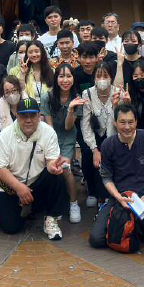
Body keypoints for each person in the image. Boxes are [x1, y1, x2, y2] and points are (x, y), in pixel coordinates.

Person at [88, 102, 144, 249]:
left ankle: (140, 228)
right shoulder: (108, 144)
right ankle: (127, 227)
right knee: (96, 240)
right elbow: (106, 176)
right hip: (119, 197)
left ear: (136, 121)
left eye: (131, 122)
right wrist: (117, 196)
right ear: (115, 123)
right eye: (122, 122)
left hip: (143, 195)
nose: (127, 127)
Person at [0, 96, 69, 240]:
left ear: (39, 116)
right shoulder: (5, 136)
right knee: (11, 228)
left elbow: (51, 160)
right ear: (16, 116)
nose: (28, 120)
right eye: (24, 116)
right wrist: (20, 188)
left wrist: (53, 167)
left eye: (32, 115)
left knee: (57, 177)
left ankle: (51, 218)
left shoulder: (48, 132)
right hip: (11, 187)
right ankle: (25, 209)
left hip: (36, 182)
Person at [42, 64, 86, 223]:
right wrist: (53, 150)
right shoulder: (47, 97)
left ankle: (74, 203)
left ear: (73, 78)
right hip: (51, 136)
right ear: (56, 78)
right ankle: (57, 204)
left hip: (67, 138)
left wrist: (71, 109)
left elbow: (68, 127)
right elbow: (48, 126)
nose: (65, 80)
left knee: (65, 169)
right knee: (53, 169)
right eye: (61, 76)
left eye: (68, 76)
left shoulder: (77, 99)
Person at [79, 63, 119, 208]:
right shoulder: (87, 94)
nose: (102, 79)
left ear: (111, 77)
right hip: (95, 134)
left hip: (114, 135)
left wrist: (115, 106)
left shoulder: (117, 92)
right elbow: (86, 124)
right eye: (99, 76)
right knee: (92, 158)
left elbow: (117, 122)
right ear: (94, 78)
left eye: (106, 76)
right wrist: (95, 149)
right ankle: (94, 193)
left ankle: (108, 197)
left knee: (108, 159)